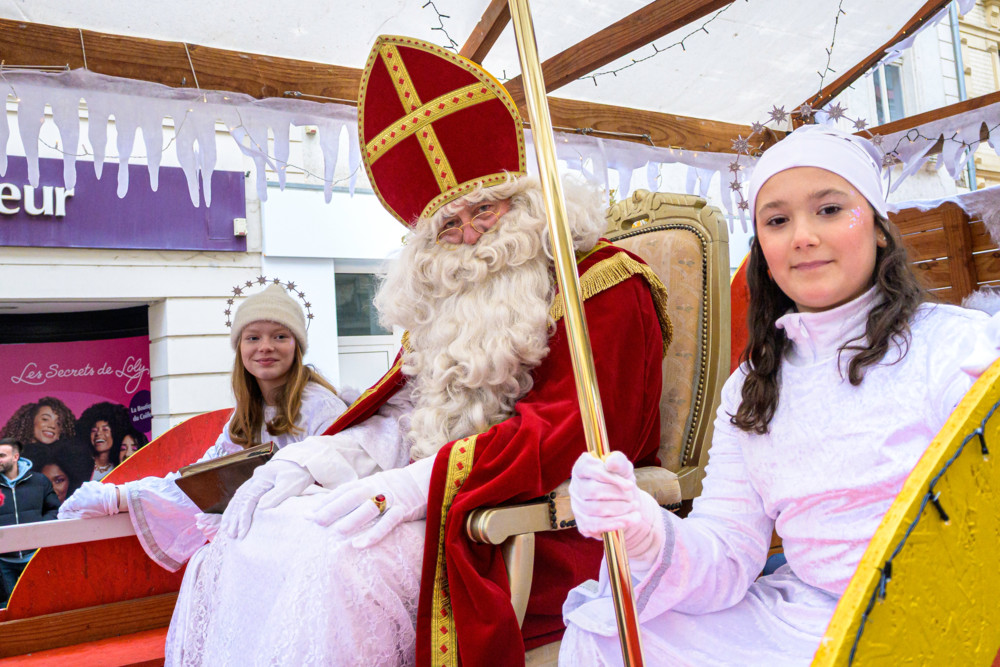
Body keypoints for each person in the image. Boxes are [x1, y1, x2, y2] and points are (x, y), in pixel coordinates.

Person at [162, 35, 671, 667]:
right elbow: (407, 417)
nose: (470, 237)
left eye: (483, 209)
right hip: (450, 502)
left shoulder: (601, 280)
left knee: (335, 562)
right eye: (447, 227)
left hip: (539, 525)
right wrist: (321, 458)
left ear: (528, 199)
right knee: (264, 534)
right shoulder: (448, 303)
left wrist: (416, 486)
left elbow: (580, 433)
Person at [559, 124, 1000, 666]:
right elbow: (726, 554)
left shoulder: (955, 343)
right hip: (808, 618)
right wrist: (644, 527)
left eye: (830, 210)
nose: (802, 236)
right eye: (777, 220)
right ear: (762, 246)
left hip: (944, 613)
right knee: (608, 633)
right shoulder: (750, 388)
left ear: (880, 229)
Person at [57, 282, 348, 573]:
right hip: (261, 558)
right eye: (253, 337)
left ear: (296, 345)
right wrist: (119, 497)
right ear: (240, 348)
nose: (265, 347)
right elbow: (203, 480)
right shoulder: (245, 414)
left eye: (280, 336)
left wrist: (252, 510)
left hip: (308, 560)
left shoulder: (321, 407)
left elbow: (338, 490)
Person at [0, 437, 61, 606]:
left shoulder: (39, 481)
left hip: (34, 558)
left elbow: (55, 509)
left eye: (2, 456)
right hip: (4, 562)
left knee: (42, 602)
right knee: (11, 608)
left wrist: (40, 528)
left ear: (15, 457)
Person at [74, 402, 129, 481]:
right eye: (94, 430)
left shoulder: (119, 465)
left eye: (105, 429)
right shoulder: (79, 465)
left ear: (116, 433)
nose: (98, 433)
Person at [1, 397, 76, 451]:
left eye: (59, 423)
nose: (53, 426)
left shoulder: (62, 462)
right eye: (45, 419)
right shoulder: (8, 453)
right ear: (30, 421)